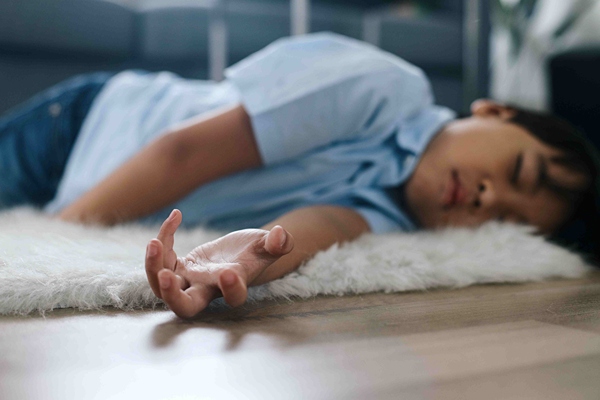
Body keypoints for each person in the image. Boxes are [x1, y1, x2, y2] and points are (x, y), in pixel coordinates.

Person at [1, 33, 598, 318]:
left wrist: (244, 260)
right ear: (494, 109)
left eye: (505, 218)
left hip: (89, 182)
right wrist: (46, 237)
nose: (488, 197)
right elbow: (180, 153)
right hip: (82, 130)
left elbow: (310, 229)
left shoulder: (393, 220)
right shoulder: (384, 93)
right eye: (516, 168)